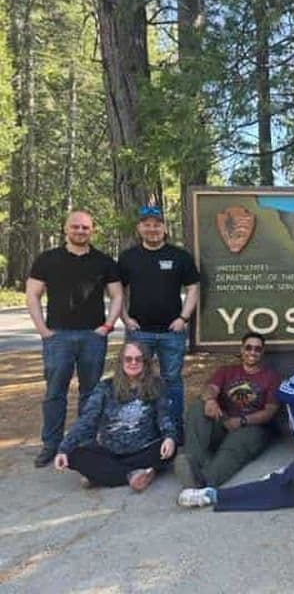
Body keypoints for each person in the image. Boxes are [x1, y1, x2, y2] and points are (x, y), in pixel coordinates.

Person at [26, 210, 123, 468]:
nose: (80, 231)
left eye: (85, 228)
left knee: (91, 393)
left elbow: (117, 295)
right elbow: (32, 294)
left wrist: (108, 325)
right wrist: (43, 330)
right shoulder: (47, 259)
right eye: (76, 227)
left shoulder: (104, 262)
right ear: (66, 229)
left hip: (93, 336)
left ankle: (84, 441)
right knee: (55, 393)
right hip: (58, 336)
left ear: (92, 230)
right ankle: (51, 444)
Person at [118, 205, 200, 443]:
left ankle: (174, 428)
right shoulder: (128, 257)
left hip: (171, 333)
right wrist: (125, 318)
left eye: (157, 224)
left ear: (164, 228)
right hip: (139, 332)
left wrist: (183, 318)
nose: (152, 229)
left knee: (171, 380)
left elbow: (193, 287)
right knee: (136, 379)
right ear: (139, 228)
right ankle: (140, 426)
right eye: (147, 224)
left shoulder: (179, 256)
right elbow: (117, 290)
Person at [52, 341, 177, 491]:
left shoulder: (157, 385)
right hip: (110, 450)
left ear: (146, 362)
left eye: (139, 359)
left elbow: (164, 417)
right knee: (73, 455)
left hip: (143, 449)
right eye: (128, 359)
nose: (133, 363)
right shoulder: (105, 387)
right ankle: (134, 474)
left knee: (170, 450)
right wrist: (63, 449)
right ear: (121, 361)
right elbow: (87, 420)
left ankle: (100, 475)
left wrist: (169, 437)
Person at [173, 332, 281, 488]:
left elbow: (270, 412)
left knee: (234, 447)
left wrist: (242, 421)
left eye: (257, 349)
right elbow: (210, 388)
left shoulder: (271, 377)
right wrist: (210, 400)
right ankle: (192, 463)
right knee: (198, 406)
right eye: (248, 347)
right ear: (241, 349)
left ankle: (203, 482)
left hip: (253, 427)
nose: (252, 352)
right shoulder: (227, 371)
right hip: (224, 422)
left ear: (262, 352)